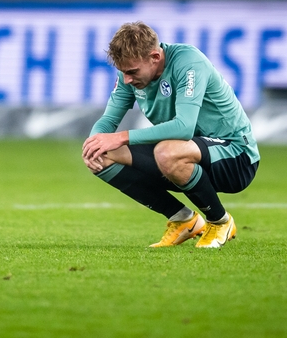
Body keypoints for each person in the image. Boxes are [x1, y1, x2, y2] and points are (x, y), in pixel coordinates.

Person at [82, 21, 260, 249]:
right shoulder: (130, 73)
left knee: (167, 151)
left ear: (155, 57)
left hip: (235, 156)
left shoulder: (188, 62)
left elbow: (184, 127)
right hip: (186, 153)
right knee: (103, 155)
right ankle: (183, 219)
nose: (127, 79)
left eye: (132, 72)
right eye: (123, 72)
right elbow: (108, 121)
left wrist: (121, 137)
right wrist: (94, 142)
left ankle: (220, 222)